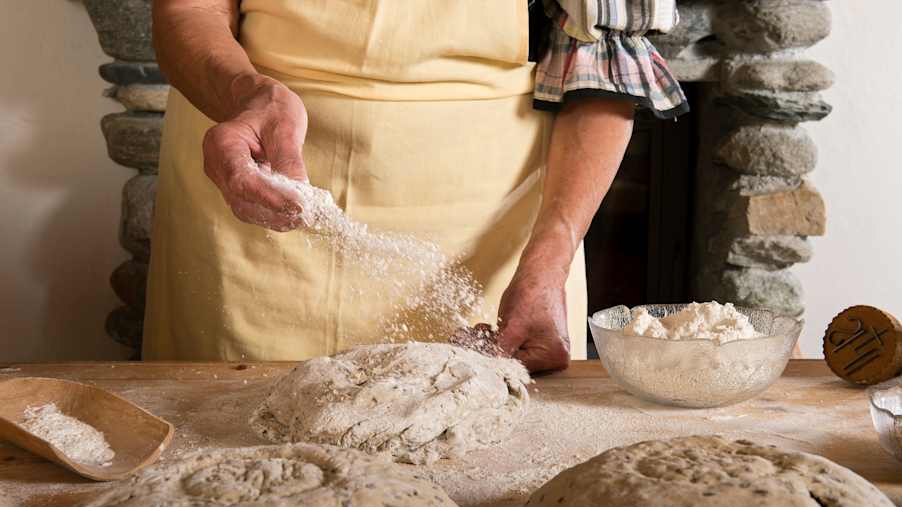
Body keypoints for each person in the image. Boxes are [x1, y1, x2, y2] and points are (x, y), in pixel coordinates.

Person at [144, 0, 688, 372]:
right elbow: (191, 9)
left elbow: (607, 60)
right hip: (255, 167)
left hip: (482, 216)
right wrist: (245, 96)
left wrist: (550, 260)